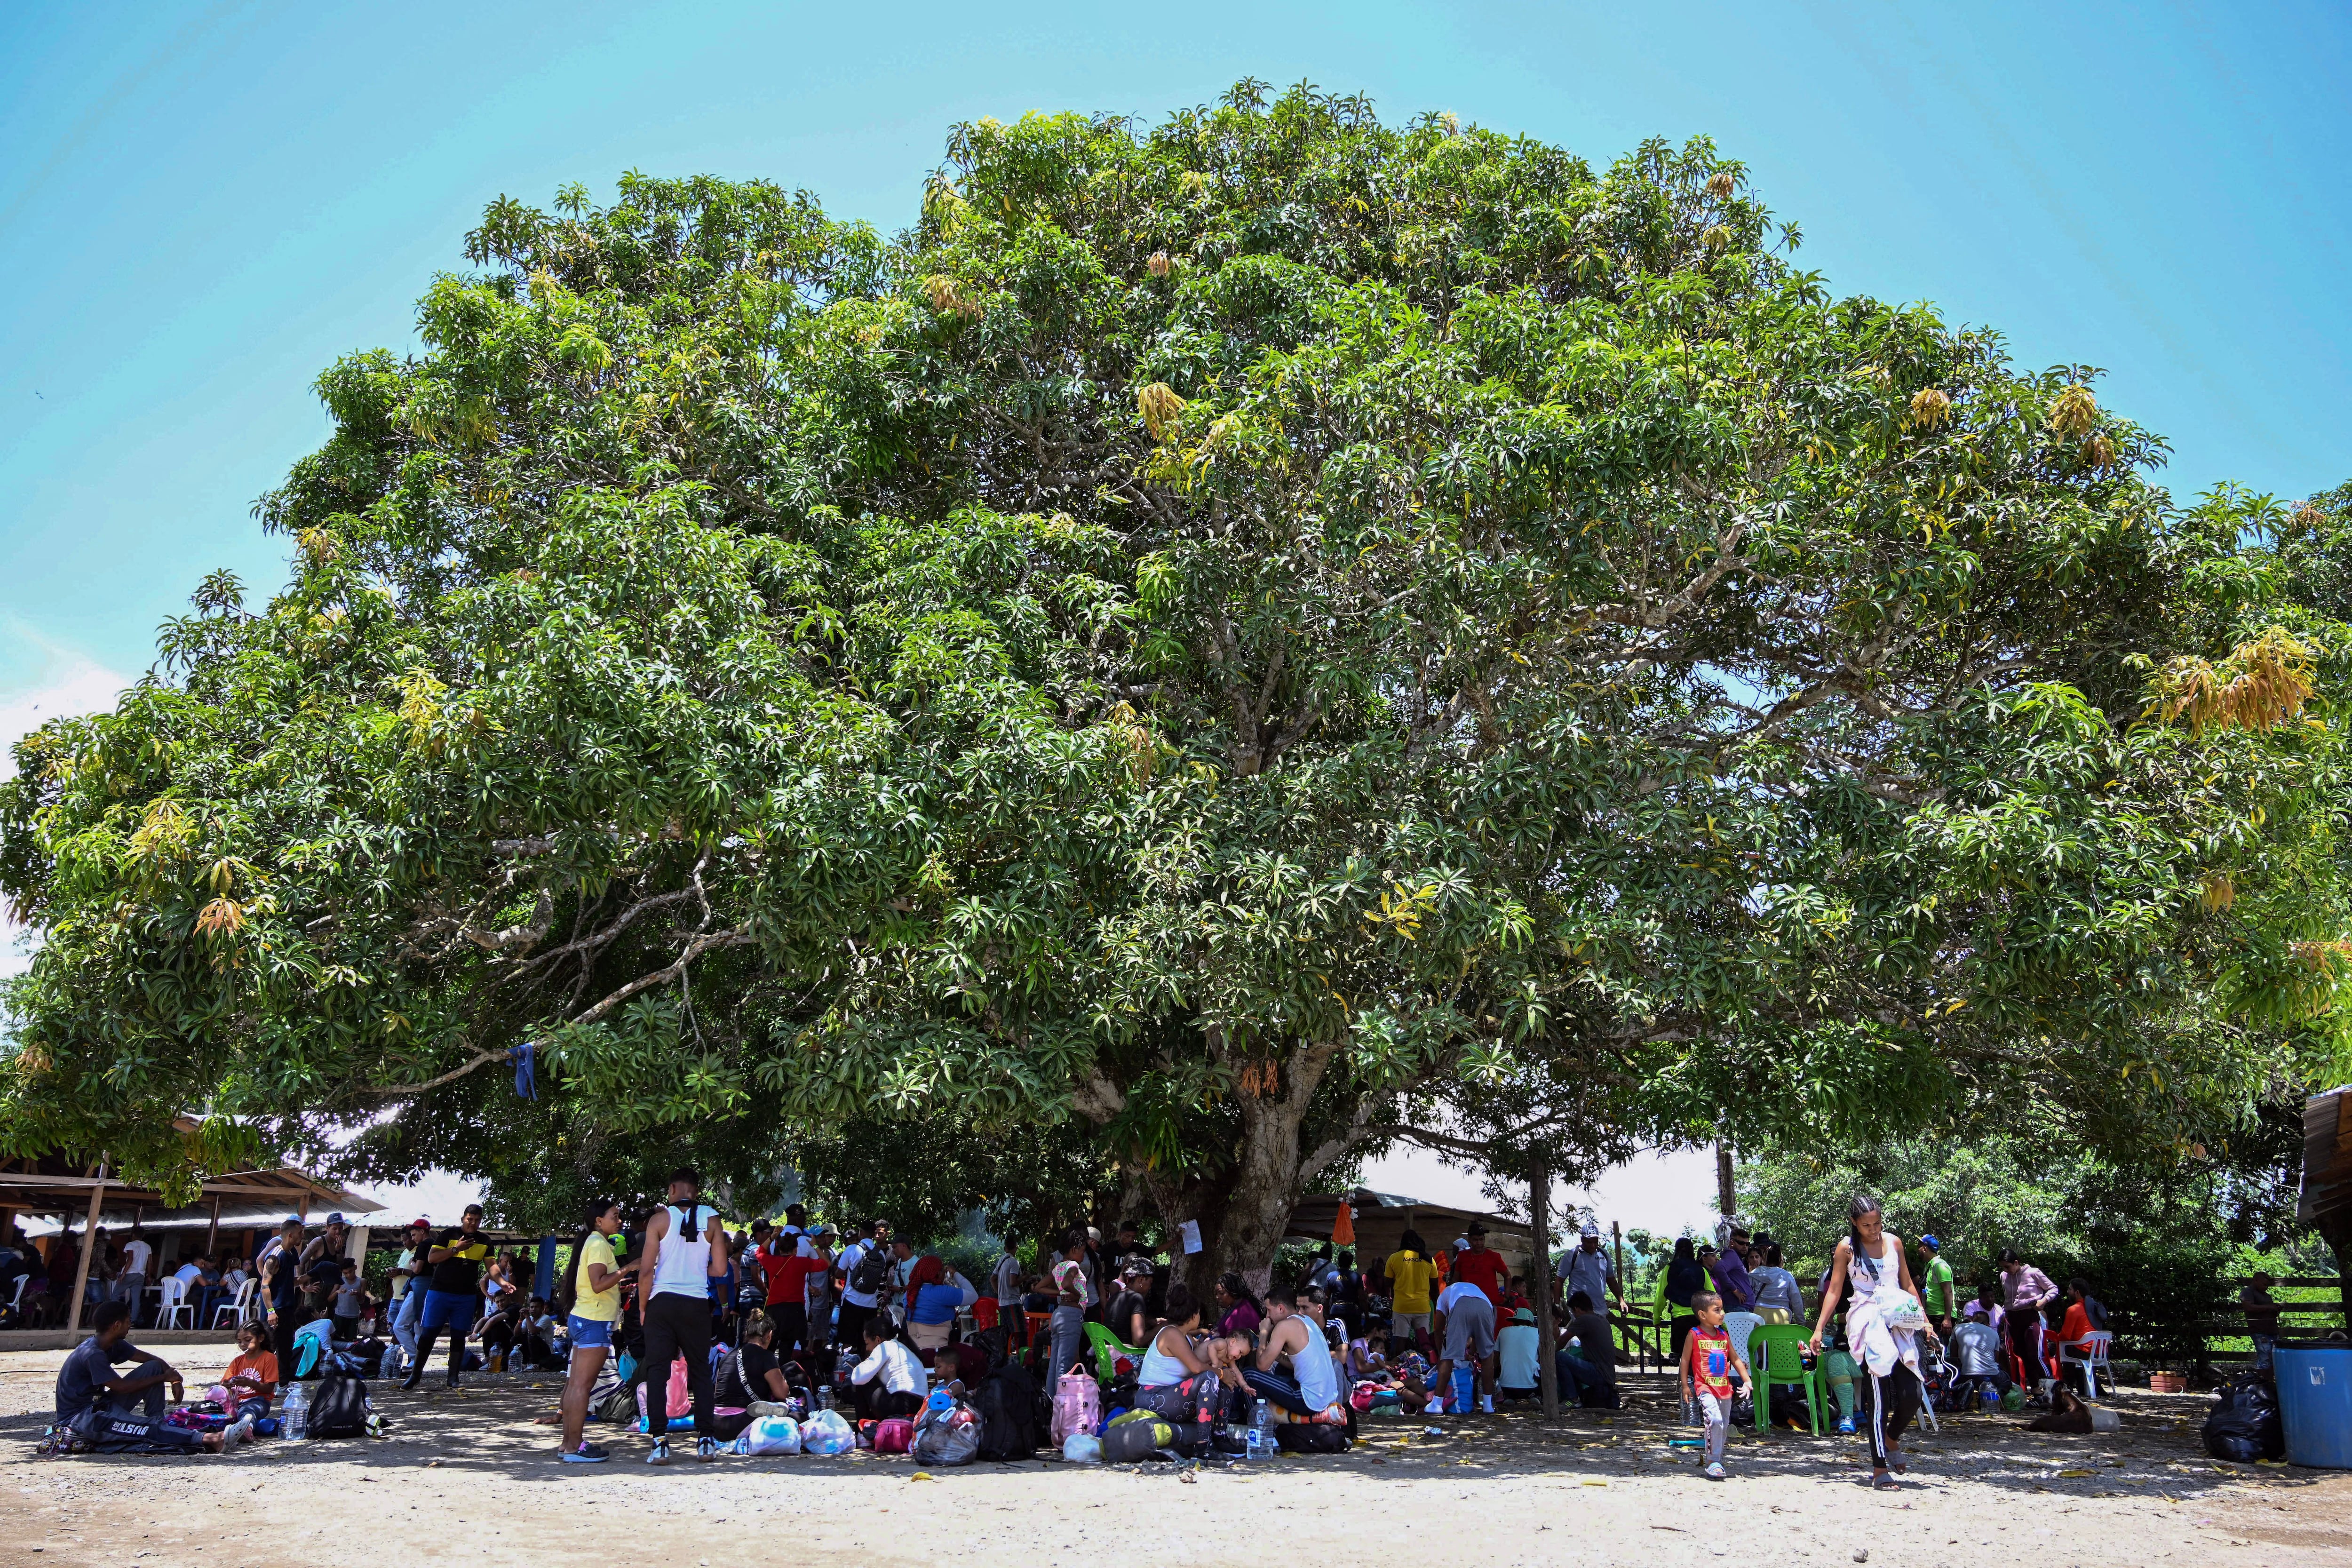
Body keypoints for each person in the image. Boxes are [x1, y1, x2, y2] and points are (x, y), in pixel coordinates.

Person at [1810, 1194, 1939, 1491]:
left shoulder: (1894, 1243)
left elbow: (1907, 1284)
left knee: (1912, 1393)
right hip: (1868, 1321)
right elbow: (1835, 1291)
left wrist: (1925, 1321)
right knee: (1878, 1394)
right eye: (1867, 1225)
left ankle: (1891, 1437)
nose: (1873, 1229)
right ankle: (1880, 1467)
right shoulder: (1846, 1248)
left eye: (1878, 1223)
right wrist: (1819, 1329)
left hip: (1900, 1320)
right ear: (1855, 1223)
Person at [52, 1300, 251, 1456]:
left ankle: (159, 1422)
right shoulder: (92, 1353)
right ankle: (211, 1440)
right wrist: (163, 1378)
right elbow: (121, 1387)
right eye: (128, 1321)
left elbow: (153, 1361)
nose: (131, 1325)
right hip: (81, 1419)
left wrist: (174, 1380)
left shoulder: (112, 1344)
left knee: (153, 1369)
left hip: (99, 1406)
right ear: (117, 1325)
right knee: (143, 1429)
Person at [637, 1167, 729, 1465]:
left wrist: (642, 1307)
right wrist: (695, 1268)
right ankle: (705, 1441)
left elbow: (647, 1270)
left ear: (673, 1188)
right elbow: (720, 1270)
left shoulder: (659, 1220)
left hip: (662, 1303)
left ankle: (660, 1442)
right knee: (701, 1371)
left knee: (658, 1372)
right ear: (696, 1191)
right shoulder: (712, 1220)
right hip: (696, 1303)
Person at [556, 1197, 631, 1464]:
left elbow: (597, 1285)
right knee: (582, 1386)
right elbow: (599, 1284)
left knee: (575, 1384)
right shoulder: (599, 1244)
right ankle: (575, 1446)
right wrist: (628, 1269)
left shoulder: (593, 1242)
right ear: (599, 1221)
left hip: (584, 1318)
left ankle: (568, 1445)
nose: (620, 1220)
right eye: (615, 1215)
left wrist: (619, 1285)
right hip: (594, 1322)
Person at [403, 1204, 492, 1392]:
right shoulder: (448, 1234)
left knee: (459, 1336)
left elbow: (491, 1266)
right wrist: (455, 1249)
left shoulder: (485, 1240)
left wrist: (502, 1280)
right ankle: (415, 1375)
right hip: (440, 1292)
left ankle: (453, 1377)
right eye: (470, 1219)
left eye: (477, 1220)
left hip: (465, 1296)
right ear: (463, 1219)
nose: (473, 1223)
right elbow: (432, 1259)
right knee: (428, 1334)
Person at [1132, 1281, 1237, 1428]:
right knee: (1211, 1377)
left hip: (1171, 1395)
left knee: (1224, 1378)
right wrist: (1220, 1373)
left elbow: (1201, 1360)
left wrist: (1225, 1368)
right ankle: (1204, 1447)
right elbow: (1196, 1367)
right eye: (1199, 1313)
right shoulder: (1171, 1333)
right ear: (1194, 1316)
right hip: (1154, 1397)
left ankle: (1220, 1434)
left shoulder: (1186, 1337)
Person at [1244, 1287, 1343, 1420]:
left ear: (1280, 1308)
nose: (1267, 1316)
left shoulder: (1284, 1326)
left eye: (1269, 1310)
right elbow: (1296, 1364)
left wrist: (1263, 1333)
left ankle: (1260, 1428)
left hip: (1309, 1400)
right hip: (1326, 1399)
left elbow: (1262, 1366)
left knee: (1247, 1375)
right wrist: (1273, 1353)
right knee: (1281, 1368)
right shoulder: (1308, 1322)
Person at [1681, 1290, 1749, 1481]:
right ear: (1703, 1315)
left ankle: (1717, 1458)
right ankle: (1713, 1462)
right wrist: (1686, 1385)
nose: (1722, 1313)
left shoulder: (1724, 1335)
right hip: (1705, 1387)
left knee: (1724, 1425)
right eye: (1717, 1310)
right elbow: (1685, 1361)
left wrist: (1747, 1380)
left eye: (1722, 1309)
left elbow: (1735, 1360)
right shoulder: (1694, 1335)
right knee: (1714, 1421)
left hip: (1725, 1389)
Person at [714, 1311, 795, 1438]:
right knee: (797, 1415)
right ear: (769, 1335)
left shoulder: (728, 1355)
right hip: (741, 1423)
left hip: (717, 1424)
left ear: (746, 1334)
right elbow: (782, 1393)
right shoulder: (766, 1356)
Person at [1432, 1274, 1498, 1414]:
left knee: (1448, 1357)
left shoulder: (1444, 1295)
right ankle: (1487, 1405)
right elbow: (1477, 1336)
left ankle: (1436, 1404)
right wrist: (1473, 1354)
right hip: (1486, 1307)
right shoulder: (1475, 1290)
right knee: (1487, 1357)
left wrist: (1441, 1354)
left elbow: (1438, 1329)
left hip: (1461, 1304)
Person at [1997, 1248, 2059, 1388]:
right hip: (2012, 1318)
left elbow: (2053, 1289)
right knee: (2022, 1354)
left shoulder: (2033, 1273)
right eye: (2003, 1267)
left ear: (2016, 1262)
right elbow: (2009, 1299)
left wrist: (2043, 1301)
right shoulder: (2004, 1276)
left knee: (2034, 1354)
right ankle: (2037, 1392)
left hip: (2029, 1315)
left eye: (2008, 1267)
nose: (2006, 1270)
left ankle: (2052, 1387)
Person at [848, 1313, 927, 1420]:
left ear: (877, 1340)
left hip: (899, 1406)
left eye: (867, 1343)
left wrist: (863, 1364)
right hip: (918, 1407)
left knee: (860, 1384)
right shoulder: (903, 1348)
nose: (867, 1349)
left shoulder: (886, 1346)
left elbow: (857, 1378)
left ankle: (862, 1430)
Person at [762, 1224, 825, 1354]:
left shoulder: (771, 1261)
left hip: (774, 1310)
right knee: (788, 1349)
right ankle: (786, 1372)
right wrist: (815, 1246)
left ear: (779, 1249)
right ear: (796, 1250)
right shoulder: (802, 1262)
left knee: (769, 1347)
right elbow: (826, 1263)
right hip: (795, 1310)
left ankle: (766, 1372)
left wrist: (772, 1237)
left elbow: (759, 1252)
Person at [259, 1218, 309, 1384]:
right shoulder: (274, 1257)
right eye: (300, 1233)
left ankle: (283, 1382)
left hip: (288, 1307)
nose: (302, 1236)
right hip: (275, 1308)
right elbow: (265, 1285)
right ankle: (259, 1381)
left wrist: (306, 1280)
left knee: (286, 1347)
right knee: (269, 1346)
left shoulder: (291, 1253)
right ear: (290, 1235)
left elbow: (289, 1281)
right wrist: (271, 1311)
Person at [832, 1220, 887, 1354]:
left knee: (848, 1340)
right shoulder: (881, 1254)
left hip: (852, 1300)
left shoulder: (852, 1249)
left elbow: (838, 1274)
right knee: (869, 1342)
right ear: (874, 1235)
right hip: (871, 1304)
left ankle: (847, 1368)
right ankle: (868, 1369)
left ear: (861, 1233)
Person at [905, 1253, 977, 1355]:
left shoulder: (909, 1293)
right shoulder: (943, 1292)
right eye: (942, 1270)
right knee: (976, 1354)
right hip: (937, 1352)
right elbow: (974, 1296)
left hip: (912, 1351)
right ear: (937, 1273)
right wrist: (955, 1274)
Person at [1558, 1290, 1619, 1409]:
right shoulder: (1603, 1320)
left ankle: (1572, 1398)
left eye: (1573, 1312)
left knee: (1559, 1357)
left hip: (1599, 1373)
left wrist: (1550, 1354)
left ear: (1577, 1309)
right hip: (1609, 1376)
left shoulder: (1584, 1320)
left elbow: (1562, 1340)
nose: (1574, 1315)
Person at [1046, 1231, 1091, 1379]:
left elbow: (1038, 1287)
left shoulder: (1058, 1267)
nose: (1084, 1256)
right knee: (1064, 1365)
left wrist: (1060, 1293)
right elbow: (1066, 1283)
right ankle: (1060, 1401)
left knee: (1054, 1363)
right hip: (1071, 1317)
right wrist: (1077, 1294)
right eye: (1083, 1251)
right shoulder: (1073, 1266)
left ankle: (1052, 1399)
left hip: (1059, 1314)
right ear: (1074, 1250)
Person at [1383, 1230, 1437, 1353]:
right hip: (1423, 1307)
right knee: (1424, 1342)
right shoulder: (1429, 1260)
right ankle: (1425, 1366)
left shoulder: (1394, 1258)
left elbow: (1388, 1283)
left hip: (1401, 1307)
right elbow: (1435, 1288)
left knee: (1400, 1341)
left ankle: (1399, 1368)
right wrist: (1437, 1308)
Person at [1557, 1221, 1622, 1320]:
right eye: (1589, 1242)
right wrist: (1557, 1305)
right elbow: (1559, 1280)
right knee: (1585, 1334)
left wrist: (1621, 1300)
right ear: (1582, 1240)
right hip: (1579, 1310)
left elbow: (1611, 1280)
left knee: (1600, 1334)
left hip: (1600, 1309)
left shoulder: (1604, 1255)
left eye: (1595, 1242)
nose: (1593, 1245)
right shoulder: (1572, 1256)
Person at [2055, 1277, 2108, 1395]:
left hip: (2085, 1351)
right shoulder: (2095, 1307)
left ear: (2077, 1292)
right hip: (2100, 1352)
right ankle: (2084, 1387)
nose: (2068, 1292)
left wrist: (2053, 1339)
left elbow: (2065, 1336)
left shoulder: (2073, 1310)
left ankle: (2065, 1385)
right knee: (2071, 1350)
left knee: (2062, 1348)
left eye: (2070, 1290)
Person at [1662, 1237, 1708, 1359]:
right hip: (1700, 1318)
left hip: (1679, 1319)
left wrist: (1656, 1318)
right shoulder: (1701, 1269)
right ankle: (1697, 1377)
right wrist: (1720, 1318)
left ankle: (1686, 1378)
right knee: (1699, 1355)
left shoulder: (1669, 1268)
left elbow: (1660, 1297)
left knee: (1683, 1357)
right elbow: (1713, 1295)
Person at [221, 1320, 280, 1409]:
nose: (243, 1345)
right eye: (240, 1342)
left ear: (260, 1338)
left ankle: (247, 1422)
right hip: (236, 1401)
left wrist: (250, 1383)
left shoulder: (269, 1358)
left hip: (259, 1401)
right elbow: (222, 1383)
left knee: (247, 1412)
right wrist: (226, 1385)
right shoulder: (237, 1361)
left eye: (248, 1340)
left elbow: (269, 1388)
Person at [1451, 1223, 1509, 1309]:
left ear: (1484, 1239)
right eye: (1476, 1240)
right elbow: (1456, 1279)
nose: (1479, 1243)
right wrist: (1454, 1296)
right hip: (1467, 1304)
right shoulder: (1462, 1256)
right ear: (1470, 1240)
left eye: (1481, 1239)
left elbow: (1508, 1276)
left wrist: (1506, 1297)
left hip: (1489, 1304)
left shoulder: (1494, 1257)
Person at [1749, 1243, 1805, 1325]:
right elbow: (1796, 1300)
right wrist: (1801, 1322)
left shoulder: (1755, 1274)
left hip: (1758, 1316)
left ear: (1764, 1259)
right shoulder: (1786, 1276)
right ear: (1780, 1260)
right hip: (1782, 1316)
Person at [1496, 1306, 1543, 1399]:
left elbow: (1495, 1359)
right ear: (1530, 1322)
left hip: (1506, 1388)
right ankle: (1537, 1397)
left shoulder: (1503, 1332)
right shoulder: (1537, 1332)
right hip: (1531, 1388)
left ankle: (1507, 1398)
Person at [2241, 1272, 2282, 1375]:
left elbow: (2271, 1312)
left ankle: (2271, 1382)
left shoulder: (2267, 1296)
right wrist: (2269, 1307)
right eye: (2264, 1284)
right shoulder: (2248, 1292)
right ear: (2256, 1281)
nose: (2266, 1287)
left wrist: (2276, 1310)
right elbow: (2249, 1307)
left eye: (2268, 1285)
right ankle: (2262, 1383)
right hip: (2260, 1331)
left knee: (2274, 1358)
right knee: (2265, 1357)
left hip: (2272, 1330)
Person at [1104, 1263, 1152, 1347]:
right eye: (1150, 1283)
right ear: (1141, 1279)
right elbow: (1139, 1341)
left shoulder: (1115, 1296)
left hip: (1108, 1354)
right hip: (1125, 1355)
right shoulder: (1136, 1298)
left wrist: (1154, 1322)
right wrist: (1163, 1326)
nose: (1149, 1288)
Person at [1918, 1235, 1957, 1333]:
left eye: (1919, 1246)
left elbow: (1948, 1292)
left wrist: (1947, 1319)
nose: (1917, 1249)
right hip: (1932, 1314)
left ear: (1925, 1249)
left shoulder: (1940, 1266)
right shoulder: (1929, 1266)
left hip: (1941, 1316)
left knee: (1940, 1347)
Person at [993, 1237, 1026, 1343]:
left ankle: (1004, 1357)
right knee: (1020, 1333)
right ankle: (1022, 1358)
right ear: (1016, 1247)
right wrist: (1026, 1277)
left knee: (1005, 1334)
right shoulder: (1013, 1262)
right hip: (1013, 1303)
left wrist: (1000, 1293)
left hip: (1003, 1303)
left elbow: (992, 1279)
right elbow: (1013, 1282)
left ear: (1004, 1248)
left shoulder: (1001, 1261)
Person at [1213, 1272, 1263, 1340]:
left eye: (1221, 1293)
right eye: (1216, 1293)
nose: (1217, 1297)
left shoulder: (1239, 1316)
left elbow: (1232, 1346)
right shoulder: (1240, 1304)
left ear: (1232, 1290)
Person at [330, 1261, 369, 1342]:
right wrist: (338, 1292)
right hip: (339, 1315)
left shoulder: (362, 1281)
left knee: (350, 1341)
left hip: (353, 1316)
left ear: (355, 1267)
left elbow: (361, 1301)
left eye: (350, 1272)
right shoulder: (340, 1281)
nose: (348, 1275)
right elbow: (329, 1299)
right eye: (345, 1273)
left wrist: (357, 1294)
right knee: (335, 1339)